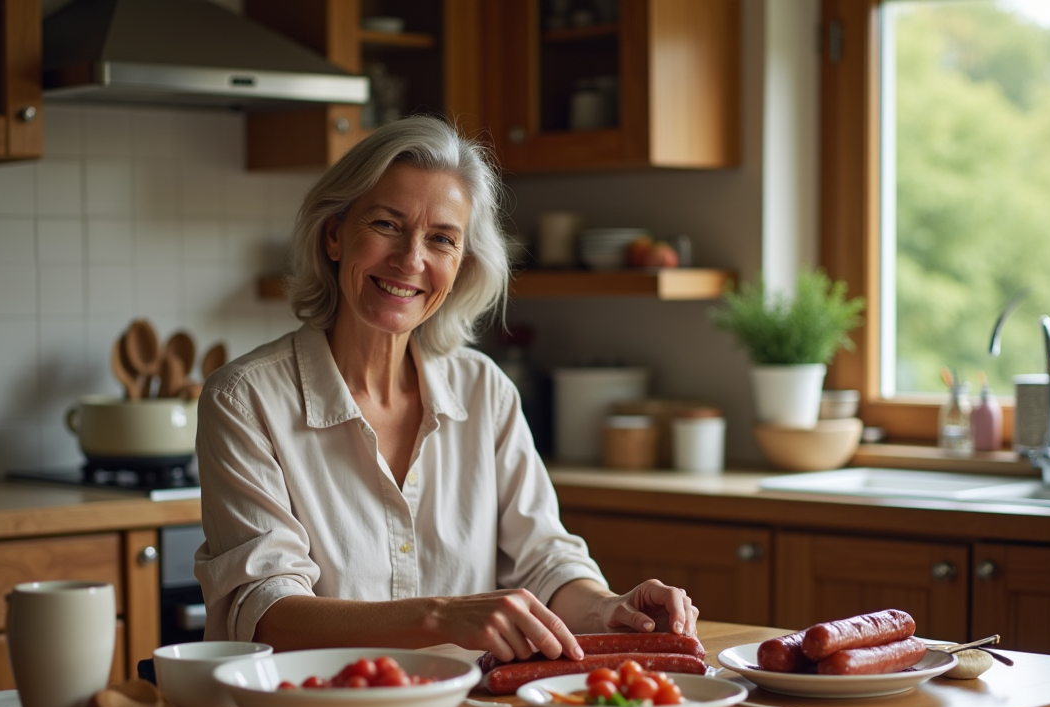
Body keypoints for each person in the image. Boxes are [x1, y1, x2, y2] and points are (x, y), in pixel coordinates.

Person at [194, 115, 698, 665]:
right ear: (334, 234)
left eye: (441, 239)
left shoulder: (486, 390)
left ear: (460, 265)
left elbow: (544, 562)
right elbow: (266, 612)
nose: (411, 260)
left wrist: (611, 609)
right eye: (386, 225)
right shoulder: (244, 399)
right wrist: (440, 616)